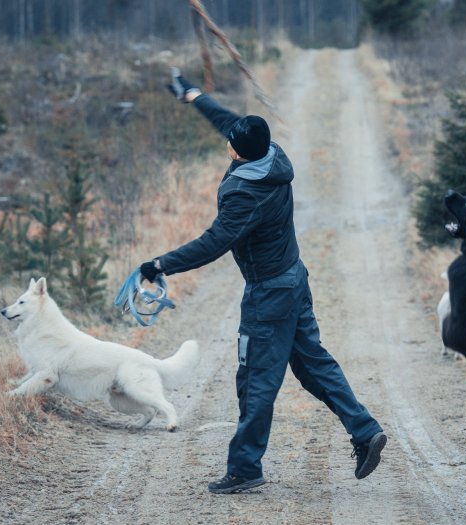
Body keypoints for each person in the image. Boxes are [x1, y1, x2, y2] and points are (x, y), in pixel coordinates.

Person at [139, 69, 387, 494]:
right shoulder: (269, 154)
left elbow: (215, 242)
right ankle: (365, 431)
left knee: (255, 379)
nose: (227, 142)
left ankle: (245, 468)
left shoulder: (245, 195)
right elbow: (230, 122)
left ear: (237, 153)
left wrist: (161, 264)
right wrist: (194, 95)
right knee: (313, 365)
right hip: (293, 279)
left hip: (268, 294)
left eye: (231, 144)